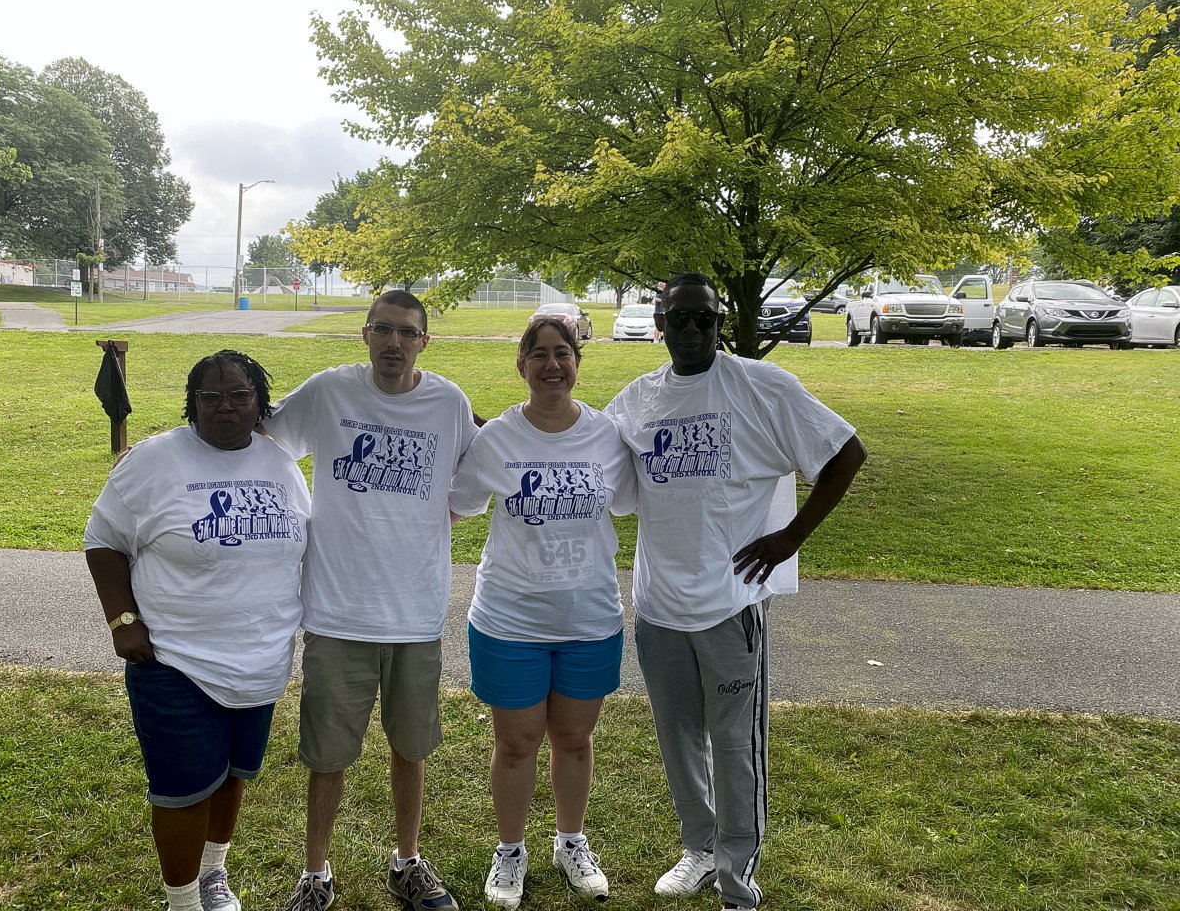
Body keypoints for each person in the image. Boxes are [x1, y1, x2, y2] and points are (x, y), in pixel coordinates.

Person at [604, 273, 866, 911]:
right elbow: (578, 451)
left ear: (720, 323)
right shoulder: (637, 399)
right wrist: (505, 435)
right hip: (658, 606)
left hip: (731, 603)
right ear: (660, 324)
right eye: (680, 318)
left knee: (735, 745)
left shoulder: (761, 386)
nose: (693, 330)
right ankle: (698, 847)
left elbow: (846, 452)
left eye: (706, 319)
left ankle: (736, 883)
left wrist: (791, 537)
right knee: (678, 739)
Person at [264, 290, 477, 911]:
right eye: (383, 329)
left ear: (424, 342)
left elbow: (476, 472)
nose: (394, 343)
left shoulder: (449, 402)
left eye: (407, 332)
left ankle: (407, 862)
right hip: (338, 611)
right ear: (365, 334)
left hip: (415, 614)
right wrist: (172, 444)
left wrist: (443, 510)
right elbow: (263, 440)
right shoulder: (330, 391)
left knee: (411, 747)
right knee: (328, 755)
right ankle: (316, 873)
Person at [84, 350, 311, 911]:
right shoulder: (154, 461)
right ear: (193, 402)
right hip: (174, 660)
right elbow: (103, 541)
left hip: (261, 661)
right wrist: (122, 620)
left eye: (239, 395)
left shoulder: (279, 462)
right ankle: (182, 901)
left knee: (232, 776)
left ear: (259, 402)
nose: (225, 406)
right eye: (210, 396)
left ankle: (212, 875)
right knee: (183, 791)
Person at [448, 318, 636, 909]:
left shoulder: (608, 436)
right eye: (539, 355)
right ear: (521, 365)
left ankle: (570, 842)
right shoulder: (497, 439)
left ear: (577, 362)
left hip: (589, 617)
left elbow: (638, 502)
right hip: (510, 619)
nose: (552, 365)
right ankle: (510, 850)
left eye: (563, 353)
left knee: (574, 739)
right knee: (517, 742)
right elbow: (455, 506)